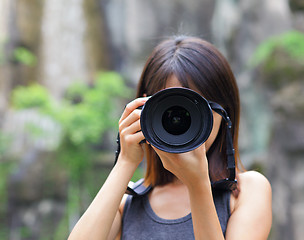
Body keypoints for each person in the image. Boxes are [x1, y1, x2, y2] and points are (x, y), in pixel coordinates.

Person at [68, 35, 272, 240]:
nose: (183, 122)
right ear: (145, 113)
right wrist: (126, 160)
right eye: (170, 109)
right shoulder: (126, 204)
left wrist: (197, 184)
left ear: (225, 113)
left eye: (195, 108)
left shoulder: (248, 191)